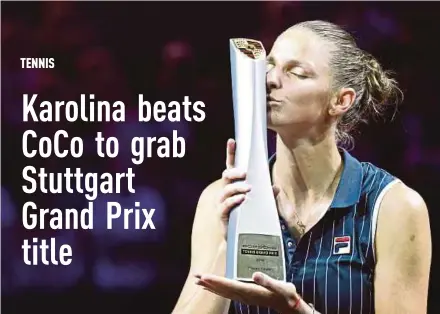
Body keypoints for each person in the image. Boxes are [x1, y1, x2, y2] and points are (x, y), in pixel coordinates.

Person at [171, 20, 432, 314]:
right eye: (268, 67)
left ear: (340, 100)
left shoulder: (393, 207)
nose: (269, 80)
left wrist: (298, 310)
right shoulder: (223, 199)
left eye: (296, 72)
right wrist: (227, 247)